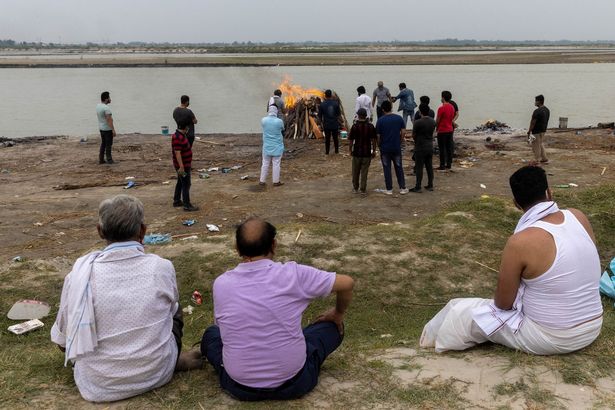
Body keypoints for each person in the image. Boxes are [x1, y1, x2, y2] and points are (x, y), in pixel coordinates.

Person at [420, 166, 603, 355]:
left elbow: (503, 304)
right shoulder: (578, 216)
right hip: (593, 325)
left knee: (460, 310)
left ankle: (425, 347)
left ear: (516, 203)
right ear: (550, 192)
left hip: (554, 337)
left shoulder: (520, 242)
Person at [50, 195, 201, 402]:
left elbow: (63, 343)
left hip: (96, 384)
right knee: (174, 308)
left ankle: (158, 359)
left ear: (100, 231)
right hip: (156, 374)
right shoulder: (161, 268)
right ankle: (169, 359)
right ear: (143, 231)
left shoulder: (78, 276)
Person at [201, 217, 354, 401]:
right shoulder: (294, 274)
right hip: (296, 382)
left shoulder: (221, 284)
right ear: (274, 244)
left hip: (239, 386)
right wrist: (337, 314)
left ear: (237, 248)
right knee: (331, 328)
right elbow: (347, 283)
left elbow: (224, 330)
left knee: (211, 334)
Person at [375, 101, 408, 195]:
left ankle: (389, 189)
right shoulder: (399, 118)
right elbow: (403, 132)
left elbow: (378, 136)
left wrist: (379, 145)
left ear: (383, 109)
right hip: (396, 147)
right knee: (398, 167)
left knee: (387, 168)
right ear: (391, 107)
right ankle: (402, 188)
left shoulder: (380, 120)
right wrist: (400, 141)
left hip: (385, 148)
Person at [348, 108, 377, 194]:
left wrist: (350, 150)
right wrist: (374, 150)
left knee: (355, 172)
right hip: (367, 152)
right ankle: (363, 189)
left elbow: (351, 140)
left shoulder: (355, 126)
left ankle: (355, 188)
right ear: (365, 116)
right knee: (364, 172)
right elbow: (374, 139)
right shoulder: (370, 126)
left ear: (358, 116)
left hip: (357, 152)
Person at [172, 122, 198, 211]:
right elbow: (177, 152)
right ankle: (187, 205)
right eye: (187, 128)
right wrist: (181, 166)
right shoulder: (177, 137)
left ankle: (177, 201)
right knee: (186, 184)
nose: (188, 130)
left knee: (180, 182)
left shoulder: (181, 135)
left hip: (184, 164)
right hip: (183, 166)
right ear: (185, 128)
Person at [410, 104, 436, 192]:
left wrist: (417, 139)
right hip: (429, 146)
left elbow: (413, 135)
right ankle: (430, 185)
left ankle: (418, 186)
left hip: (420, 147)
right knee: (429, 166)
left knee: (419, 167)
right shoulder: (433, 121)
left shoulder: (418, 122)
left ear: (420, 112)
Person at [260, 107, 285, 186]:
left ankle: (262, 180)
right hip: (277, 145)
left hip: (267, 146)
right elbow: (282, 128)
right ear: (276, 112)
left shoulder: (263, 120)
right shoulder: (279, 121)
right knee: (276, 163)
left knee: (265, 163)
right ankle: (276, 181)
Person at [435, 91, 456, 171]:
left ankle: (442, 165)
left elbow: (437, 121)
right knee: (448, 148)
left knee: (442, 148)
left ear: (443, 98)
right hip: (450, 129)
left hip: (442, 130)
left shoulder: (441, 108)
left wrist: (436, 128)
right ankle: (449, 164)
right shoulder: (452, 107)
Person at [527, 94, 550, 164]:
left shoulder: (537, 111)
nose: (535, 103)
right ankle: (544, 158)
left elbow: (533, 122)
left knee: (535, 145)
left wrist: (529, 130)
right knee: (540, 144)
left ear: (539, 102)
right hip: (543, 130)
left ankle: (536, 160)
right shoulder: (547, 110)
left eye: (536, 101)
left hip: (536, 131)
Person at [319, 89, 342, 155]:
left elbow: (320, 116)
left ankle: (327, 152)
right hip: (334, 124)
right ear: (331, 95)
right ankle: (337, 151)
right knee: (335, 138)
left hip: (326, 124)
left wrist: (320, 124)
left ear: (325, 96)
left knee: (327, 139)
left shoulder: (322, 104)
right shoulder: (336, 103)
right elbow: (338, 114)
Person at [96, 91, 116, 164]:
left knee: (103, 144)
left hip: (101, 128)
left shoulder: (98, 106)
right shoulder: (106, 108)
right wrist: (113, 130)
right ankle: (109, 160)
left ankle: (101, 159)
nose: (110, 99)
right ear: (106, 99)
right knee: (108, 145)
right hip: (107, 129)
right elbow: (109, 120)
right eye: (109, 98)